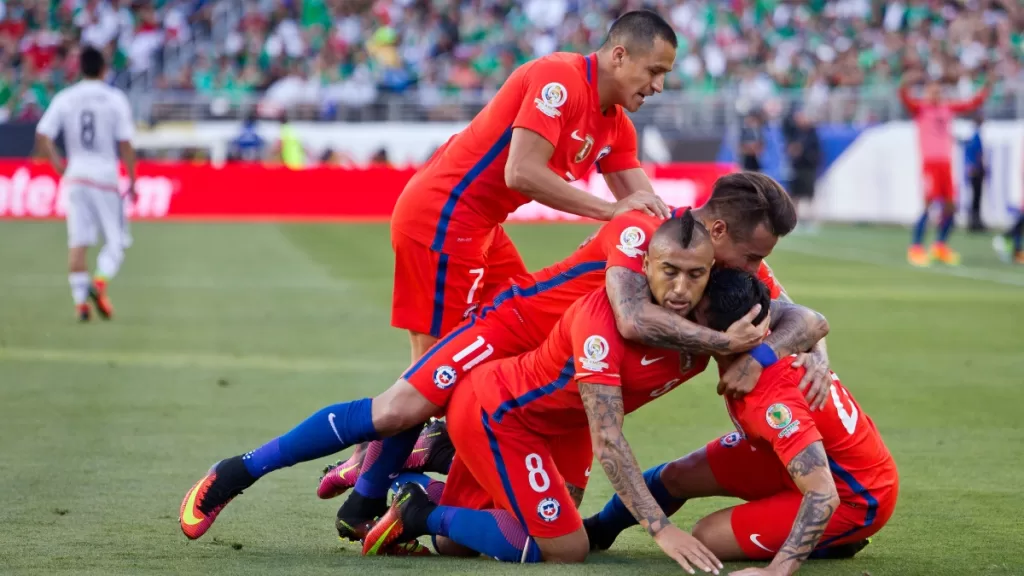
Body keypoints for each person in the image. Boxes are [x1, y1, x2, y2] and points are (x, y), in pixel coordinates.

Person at [178, 174, 831, 545]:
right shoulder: (646, 234)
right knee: (399, 405)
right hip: (514, 330)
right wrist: (728, 346)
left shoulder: (711, 266)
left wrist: (804, 347)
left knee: (536, 530)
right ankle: (240, 471)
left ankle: (402, 491)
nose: (757, 271)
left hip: (554, 386)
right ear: (718, 234)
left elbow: (799, 313)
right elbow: (630, 317)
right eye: (753, 257)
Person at [361, 215, 729, 569]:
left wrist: (764, 350)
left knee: (455, 545)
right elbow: (608, 438)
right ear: (645, 264)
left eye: (695, 274)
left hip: (560, 425)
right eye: (670, 272)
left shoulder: (712, 319)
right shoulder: (602, 317)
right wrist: (661, 529)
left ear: (712, 272)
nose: (681, 288)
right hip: (499, 414)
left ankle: (418, 485)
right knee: (566, 547)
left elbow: (782, 314)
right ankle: (417, 511)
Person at [389, 9, 676, 364]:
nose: (659, 87)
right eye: (654, 71)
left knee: (525, 328)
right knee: (435, 366)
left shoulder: (617, 128)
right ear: (619, 56)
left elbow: (649, 210)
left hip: (482, 227)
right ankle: (412, 421)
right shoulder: (559, 79)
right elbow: (521, 172)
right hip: (443, 214)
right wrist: (608, 212)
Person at [584, 270, 898, 576]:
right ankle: (594, 532)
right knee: (676, 476)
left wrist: (776, 572)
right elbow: (804, 316)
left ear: (733, 335)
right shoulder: (756, 321)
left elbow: (822, 493)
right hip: (783, 452)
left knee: (708, 536)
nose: (682, 321)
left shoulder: (773, 398)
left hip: (854, 496)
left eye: (692, 318)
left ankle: (833, 542)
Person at [34, 45, 137, 322]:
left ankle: (81, 304)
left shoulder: (66, 97)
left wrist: (57, 163)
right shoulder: (114, 98)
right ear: (104, 69)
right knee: (116, 242)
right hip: (104, 176)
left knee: (78, 243)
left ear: (80, 69)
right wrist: (133, 180)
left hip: (76, 175)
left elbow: (43, 135)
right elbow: (126, 143)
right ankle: (100, 282)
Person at [901, 70, 991, 267]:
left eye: (938, 91)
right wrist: (904, 83)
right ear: (926, 92)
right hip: (930, 164)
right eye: (932, 91)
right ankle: (915, 248)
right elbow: (904, 99)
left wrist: (986, 88)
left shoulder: (947, 108)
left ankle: (940, 246)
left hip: (946, 164)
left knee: (951, 206)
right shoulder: (920, 108)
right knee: (928, 203)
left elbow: (972, 104)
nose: (936, 94)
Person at [783, 107, 821, 234]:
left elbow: (815, 151)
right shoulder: (795, 133)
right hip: (797, 167)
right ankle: (795, 221)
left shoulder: (812, 133)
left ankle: (810, 220)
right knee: (795, 196)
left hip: (808, 167)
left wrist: (803, 152)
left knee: (809, 195)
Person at [964, 114, 986, 232]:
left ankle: (975, 221)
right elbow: (977, 154)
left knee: (975, 196)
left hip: (974, 169)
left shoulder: (973, 135)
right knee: (976, 196)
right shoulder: (975, 135)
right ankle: (974, 222)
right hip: (975, 169)